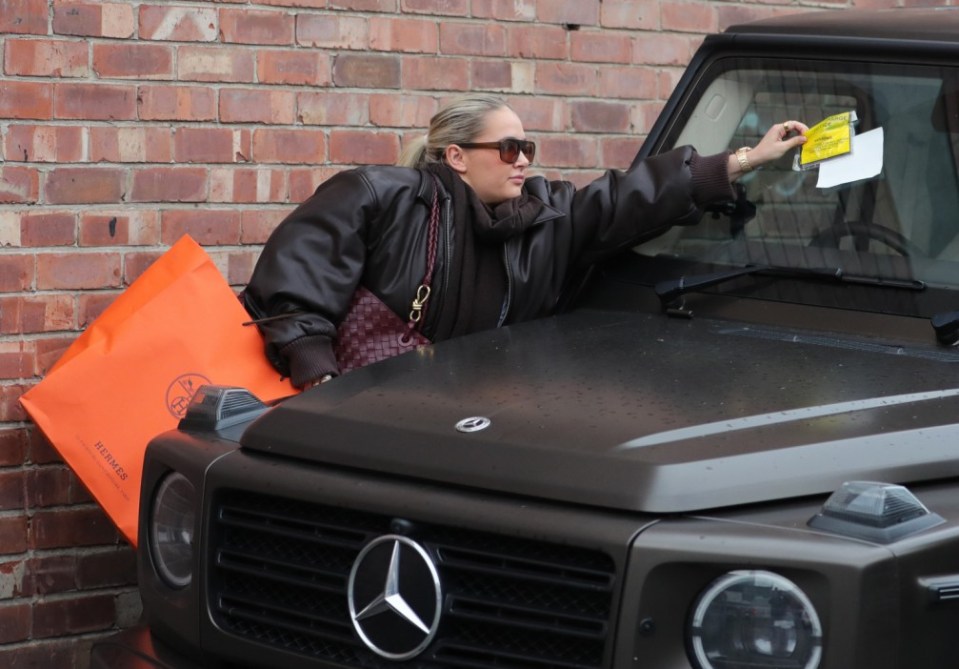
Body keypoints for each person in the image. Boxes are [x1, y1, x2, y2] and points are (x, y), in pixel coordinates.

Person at [242, 93, 807, 388]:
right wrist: (315, 370)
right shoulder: (381, 196)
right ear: (457, 157)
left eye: (528, 148)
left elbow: (628, 197)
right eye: (508, 149)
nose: (523, 162)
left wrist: (745, 160)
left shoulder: (543, 218)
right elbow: (298, 273)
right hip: (353, 405)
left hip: (469, 418)